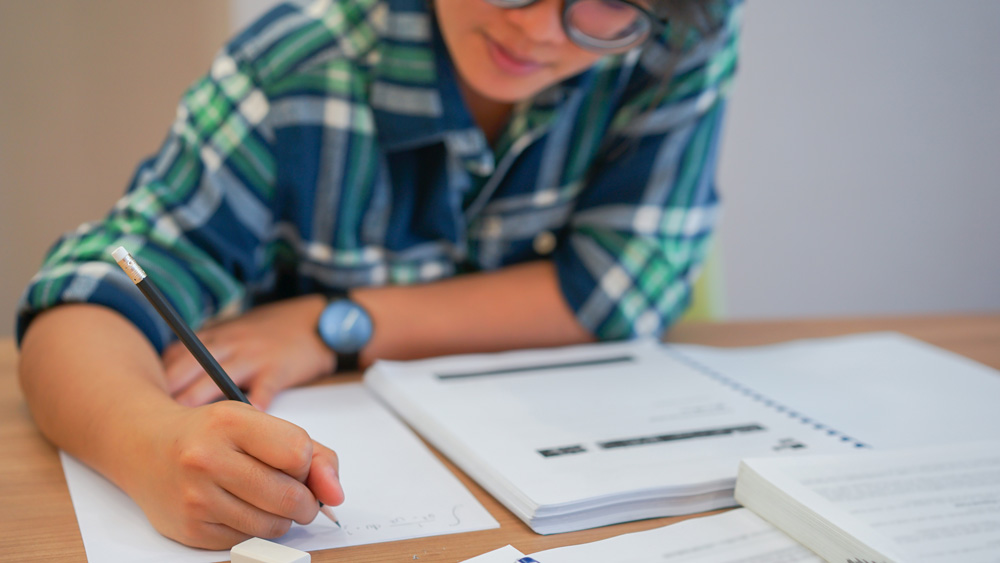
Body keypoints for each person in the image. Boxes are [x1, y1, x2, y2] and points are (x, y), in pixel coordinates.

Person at [16, 0, 740, 550]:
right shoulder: (297, 63)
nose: (543, 30)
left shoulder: (673, 40)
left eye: (609, 1)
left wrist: (334, 324)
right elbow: (88, 295)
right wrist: (149, 444)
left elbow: (623, 283)